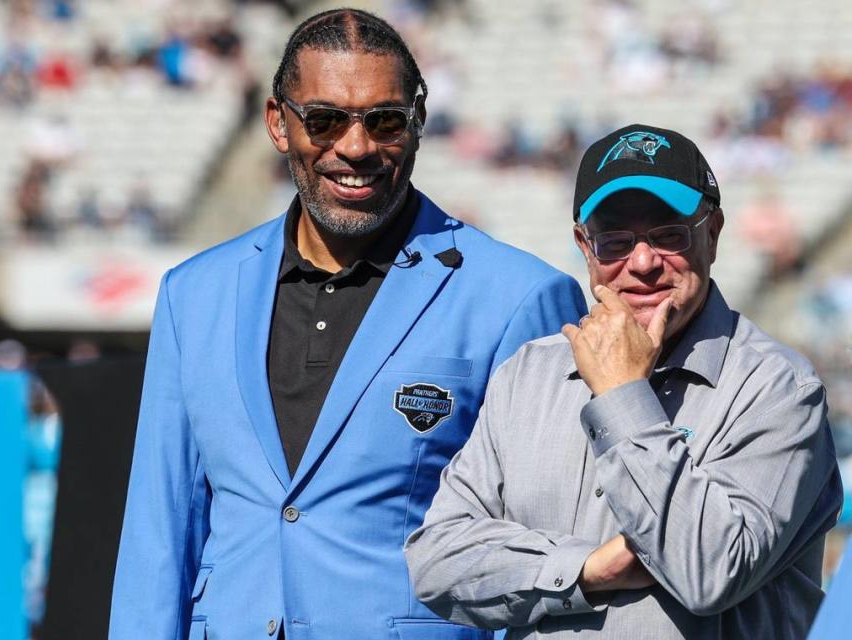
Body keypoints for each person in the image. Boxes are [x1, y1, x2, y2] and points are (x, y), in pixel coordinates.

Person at [109, 9, 586, 640]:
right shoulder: (192, 295)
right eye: (325, 119)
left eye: (384, 119)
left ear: (417, 120)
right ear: (279, 124)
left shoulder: (519, 297)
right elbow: (159, 531)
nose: (356, 147)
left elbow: (546, 551)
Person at [405, 124, 843, 639]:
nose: (641, 263)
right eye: (614, 240)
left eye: (668, 235)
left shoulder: (777, 390)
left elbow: (710, 572)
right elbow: (435, 562)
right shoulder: (530, 372)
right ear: (583, 247)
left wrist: (621, 395)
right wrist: (586, 570)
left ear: (714, 233)